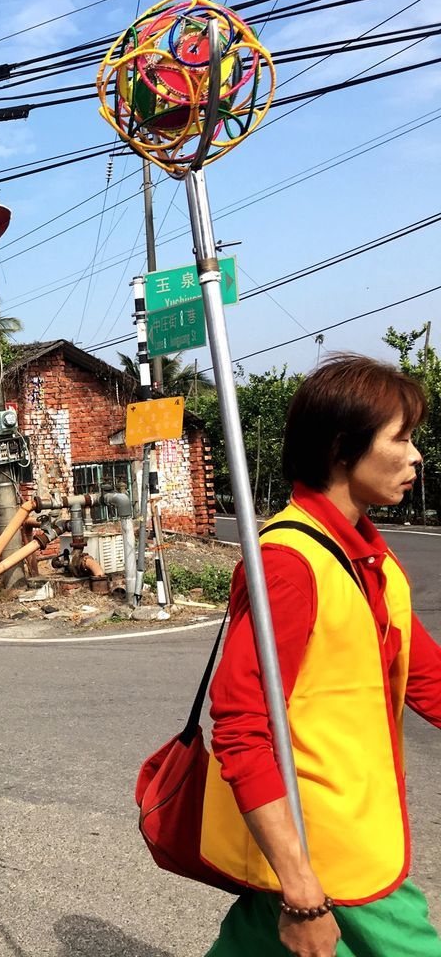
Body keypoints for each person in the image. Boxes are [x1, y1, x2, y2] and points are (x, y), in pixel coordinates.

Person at [204, 355, 441, 957]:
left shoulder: (367, 555)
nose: (417, 455)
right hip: (327, 856)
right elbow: (241, 727)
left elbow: (424, 678)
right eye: (402, 437)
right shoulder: (287, 566)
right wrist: (302, 888)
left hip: (341, 837)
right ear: (342, 447)